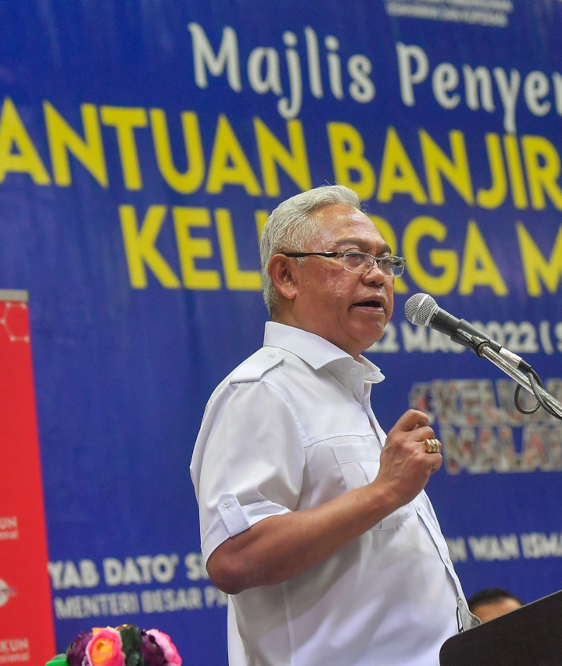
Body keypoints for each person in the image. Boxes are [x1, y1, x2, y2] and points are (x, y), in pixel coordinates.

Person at [190, 185, 478, 666]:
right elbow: (234, 557)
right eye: (352, 256)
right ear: (286, 276)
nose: (377, 275)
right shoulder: (261, 390)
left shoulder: (343, 391)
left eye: (385, 261)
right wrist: (385, 491)